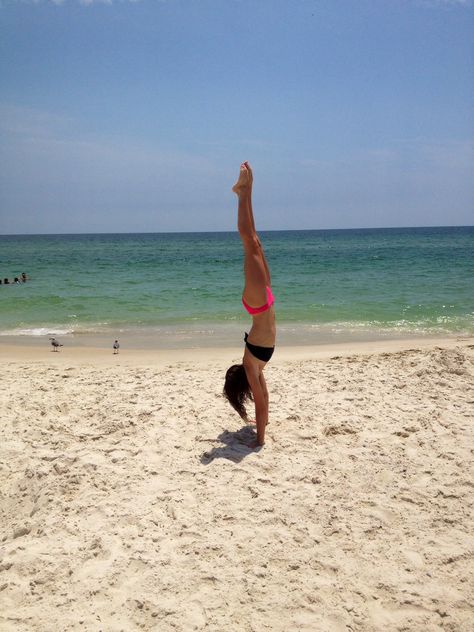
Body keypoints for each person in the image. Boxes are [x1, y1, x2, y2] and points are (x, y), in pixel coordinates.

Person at [223, 162, 276, 448]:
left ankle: (243, 193)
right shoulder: (257, 370)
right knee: (255, 242)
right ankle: (247, 190)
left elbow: (260, 403)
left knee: (249, 243)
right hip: (265, 301)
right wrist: (260, 432)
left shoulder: (251, 364)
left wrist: (259, 439)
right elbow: (263, 402)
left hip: (258, 305)